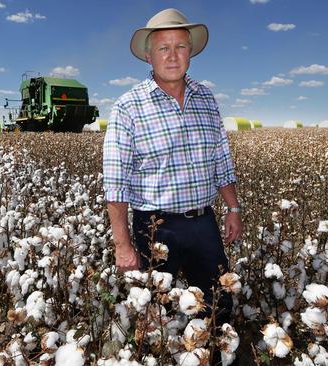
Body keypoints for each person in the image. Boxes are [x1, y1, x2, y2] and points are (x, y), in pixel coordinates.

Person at [102, 8, 242, 324]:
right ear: (149, 56)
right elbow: (116, 181)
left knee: (218, 305)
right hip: (154, 226)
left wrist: (233, 208)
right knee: (158, 314)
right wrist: (123, 246)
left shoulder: (206, 98)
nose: (172, 56)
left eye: (180, 46)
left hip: (202, 222)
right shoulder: (128, 106)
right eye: (163, 48)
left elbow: (221, 157)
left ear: (190, 52)